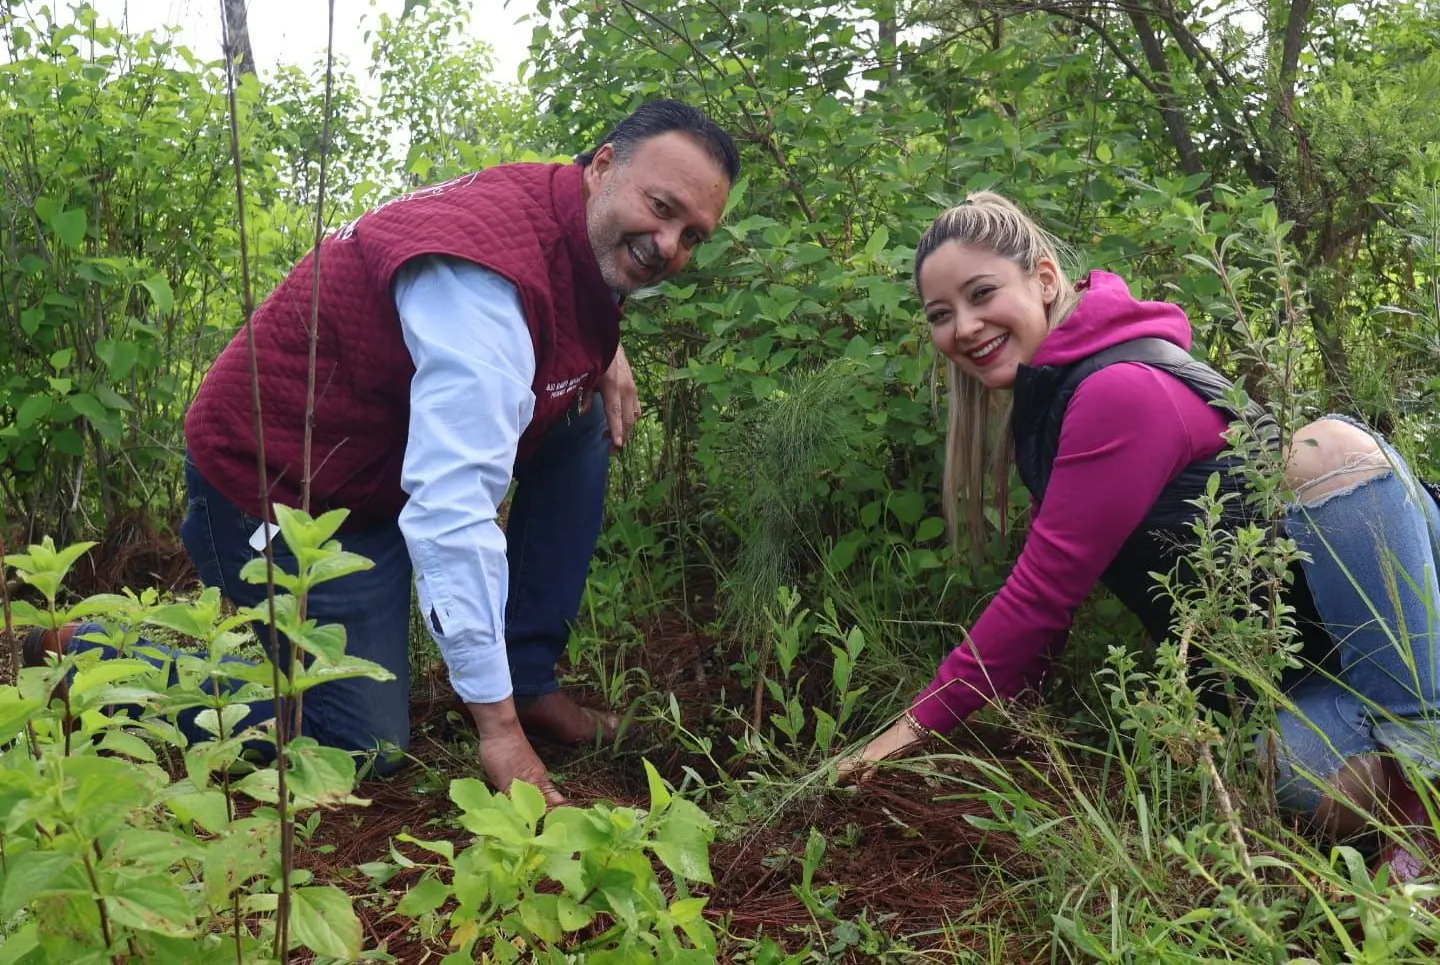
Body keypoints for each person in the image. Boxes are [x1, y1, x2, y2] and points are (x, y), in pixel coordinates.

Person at [30, 99, 738, 806]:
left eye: (693, 235)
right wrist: (497, 733)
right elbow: (452, 513)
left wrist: (603, 353)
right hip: (283, 484)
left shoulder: (567, 207)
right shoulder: (485, 286)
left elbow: (562, 293)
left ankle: (527, 679)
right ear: (604, 166)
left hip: (375, 467)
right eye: (661, 206)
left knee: (575, 412)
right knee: (361, 747)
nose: (669, 245)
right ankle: (92, 655)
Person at [840, 192, 1440, 875]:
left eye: (982, 294)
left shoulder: (1116, 390)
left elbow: (1038, 599)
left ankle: (1426, 796)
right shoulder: (1052, 408)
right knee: (1292, 775)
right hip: (1327, 674)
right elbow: (1050, 604)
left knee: (1324, 449)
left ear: (1041, 280)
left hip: (1407, 628)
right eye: (941, 314)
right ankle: (1411, 758)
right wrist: (1024, 738)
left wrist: (896, 738)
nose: (965, 326)